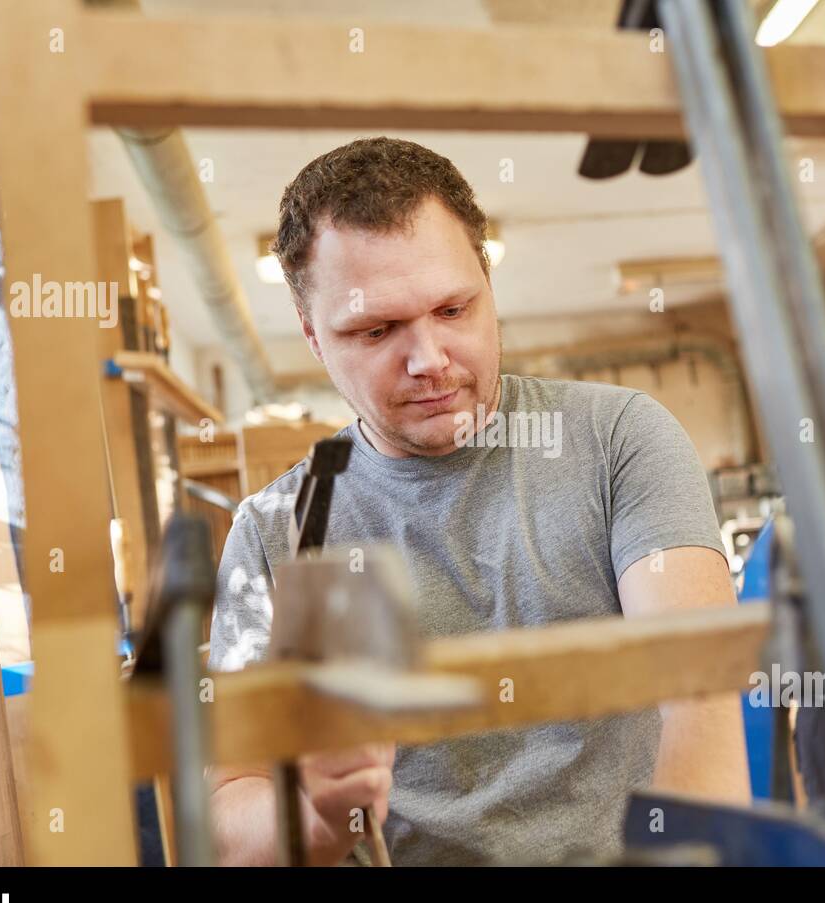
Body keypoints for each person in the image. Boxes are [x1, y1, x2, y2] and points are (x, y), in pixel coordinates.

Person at [208, 136, 748, 866]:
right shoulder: (279, 531)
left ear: (489, 285)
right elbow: (226, 814)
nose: (429, 359)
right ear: (312, 336)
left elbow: (699, 695)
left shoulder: (619, 439)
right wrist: (321, 815)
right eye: (377, 329)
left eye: (454, 309)